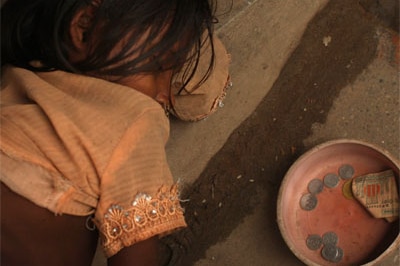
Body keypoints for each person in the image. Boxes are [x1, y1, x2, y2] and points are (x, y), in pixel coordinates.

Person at [0, 0, 231, 265]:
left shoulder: (15, 80)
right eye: (158, 67)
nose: (166, 96)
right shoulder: (134, 118)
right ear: (83, 28)